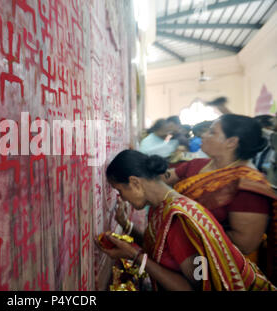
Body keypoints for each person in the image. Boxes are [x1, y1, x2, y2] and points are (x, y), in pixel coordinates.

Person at [95, 150, 275, 291]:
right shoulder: (161, 207)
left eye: (120, 191)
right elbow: (160, 248)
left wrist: (135, 256)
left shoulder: (179, 219)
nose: (122, 198)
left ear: (134, 182)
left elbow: (196, 286)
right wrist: (126, 225)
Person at [162, 114, 277, 279]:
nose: (203, 135)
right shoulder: (198, 164)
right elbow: (163, 178)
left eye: (211, 132)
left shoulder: (248, 186)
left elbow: (245, 244)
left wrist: (190, 228)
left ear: (231, 142)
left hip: (221, 271)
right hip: (183, 258)